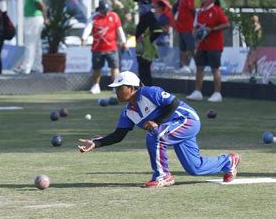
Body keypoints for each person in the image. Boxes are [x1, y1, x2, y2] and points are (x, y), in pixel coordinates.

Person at [77, 71, 241, 188]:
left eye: (120, 88)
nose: (117, 92)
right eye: (116, 89)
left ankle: (163, 176)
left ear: (133, 87)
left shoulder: (149, 92)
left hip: (187, 120)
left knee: (155, 135)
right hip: (172, 129)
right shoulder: (128, 112)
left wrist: (156, 121)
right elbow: (118, 135)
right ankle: (229, 161)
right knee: (195, 168)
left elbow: (174, 103)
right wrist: (97, 143)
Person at [187, 0, 229, 103]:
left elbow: (226, 24)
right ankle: (197, 92)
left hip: (215, 45)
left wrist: (212, 29)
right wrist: (196, 33)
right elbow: (195, 26)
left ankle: (217, 93)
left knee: (215, 69)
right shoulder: (200, 10)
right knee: (199, 68)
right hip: (202, 44)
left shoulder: (216, 10)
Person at [81, 0, 127, 94]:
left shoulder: (114, 16)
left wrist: (124, 41)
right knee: (96, 68)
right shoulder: (94, 18)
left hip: (112, 47)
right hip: (97, 48)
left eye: (107, 10)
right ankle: (95, 86)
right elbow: (88, 28)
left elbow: (119, 30)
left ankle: (116, 87)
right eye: (104, 11)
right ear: (100, 10)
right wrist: (84, 38)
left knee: (115, 67)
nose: (106, 13)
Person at [15, 0, 49, 74]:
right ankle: (37, 66)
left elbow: (40, 4)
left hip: (33, 18)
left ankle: (26, 67)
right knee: (36, 44)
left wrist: (45, 17)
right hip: (34, 18)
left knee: (29, 43)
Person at [134, 0, 163, 86]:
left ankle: (147, 92)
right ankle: (144, 91)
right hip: (141, 48)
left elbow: (158, 30)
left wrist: (148, 40)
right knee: (142, 71)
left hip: (146, 49)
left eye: (141, 4)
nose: (139, 6)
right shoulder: (144, 16)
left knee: (145, 72)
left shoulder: (149, 16)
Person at [173, 0, 195, 73]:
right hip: (181, 27)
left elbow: (192, 10)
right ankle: (185, 67)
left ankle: (198, 65)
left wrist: (194, 24)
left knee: (191, 47)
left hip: (187, 26)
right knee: (183, 48)